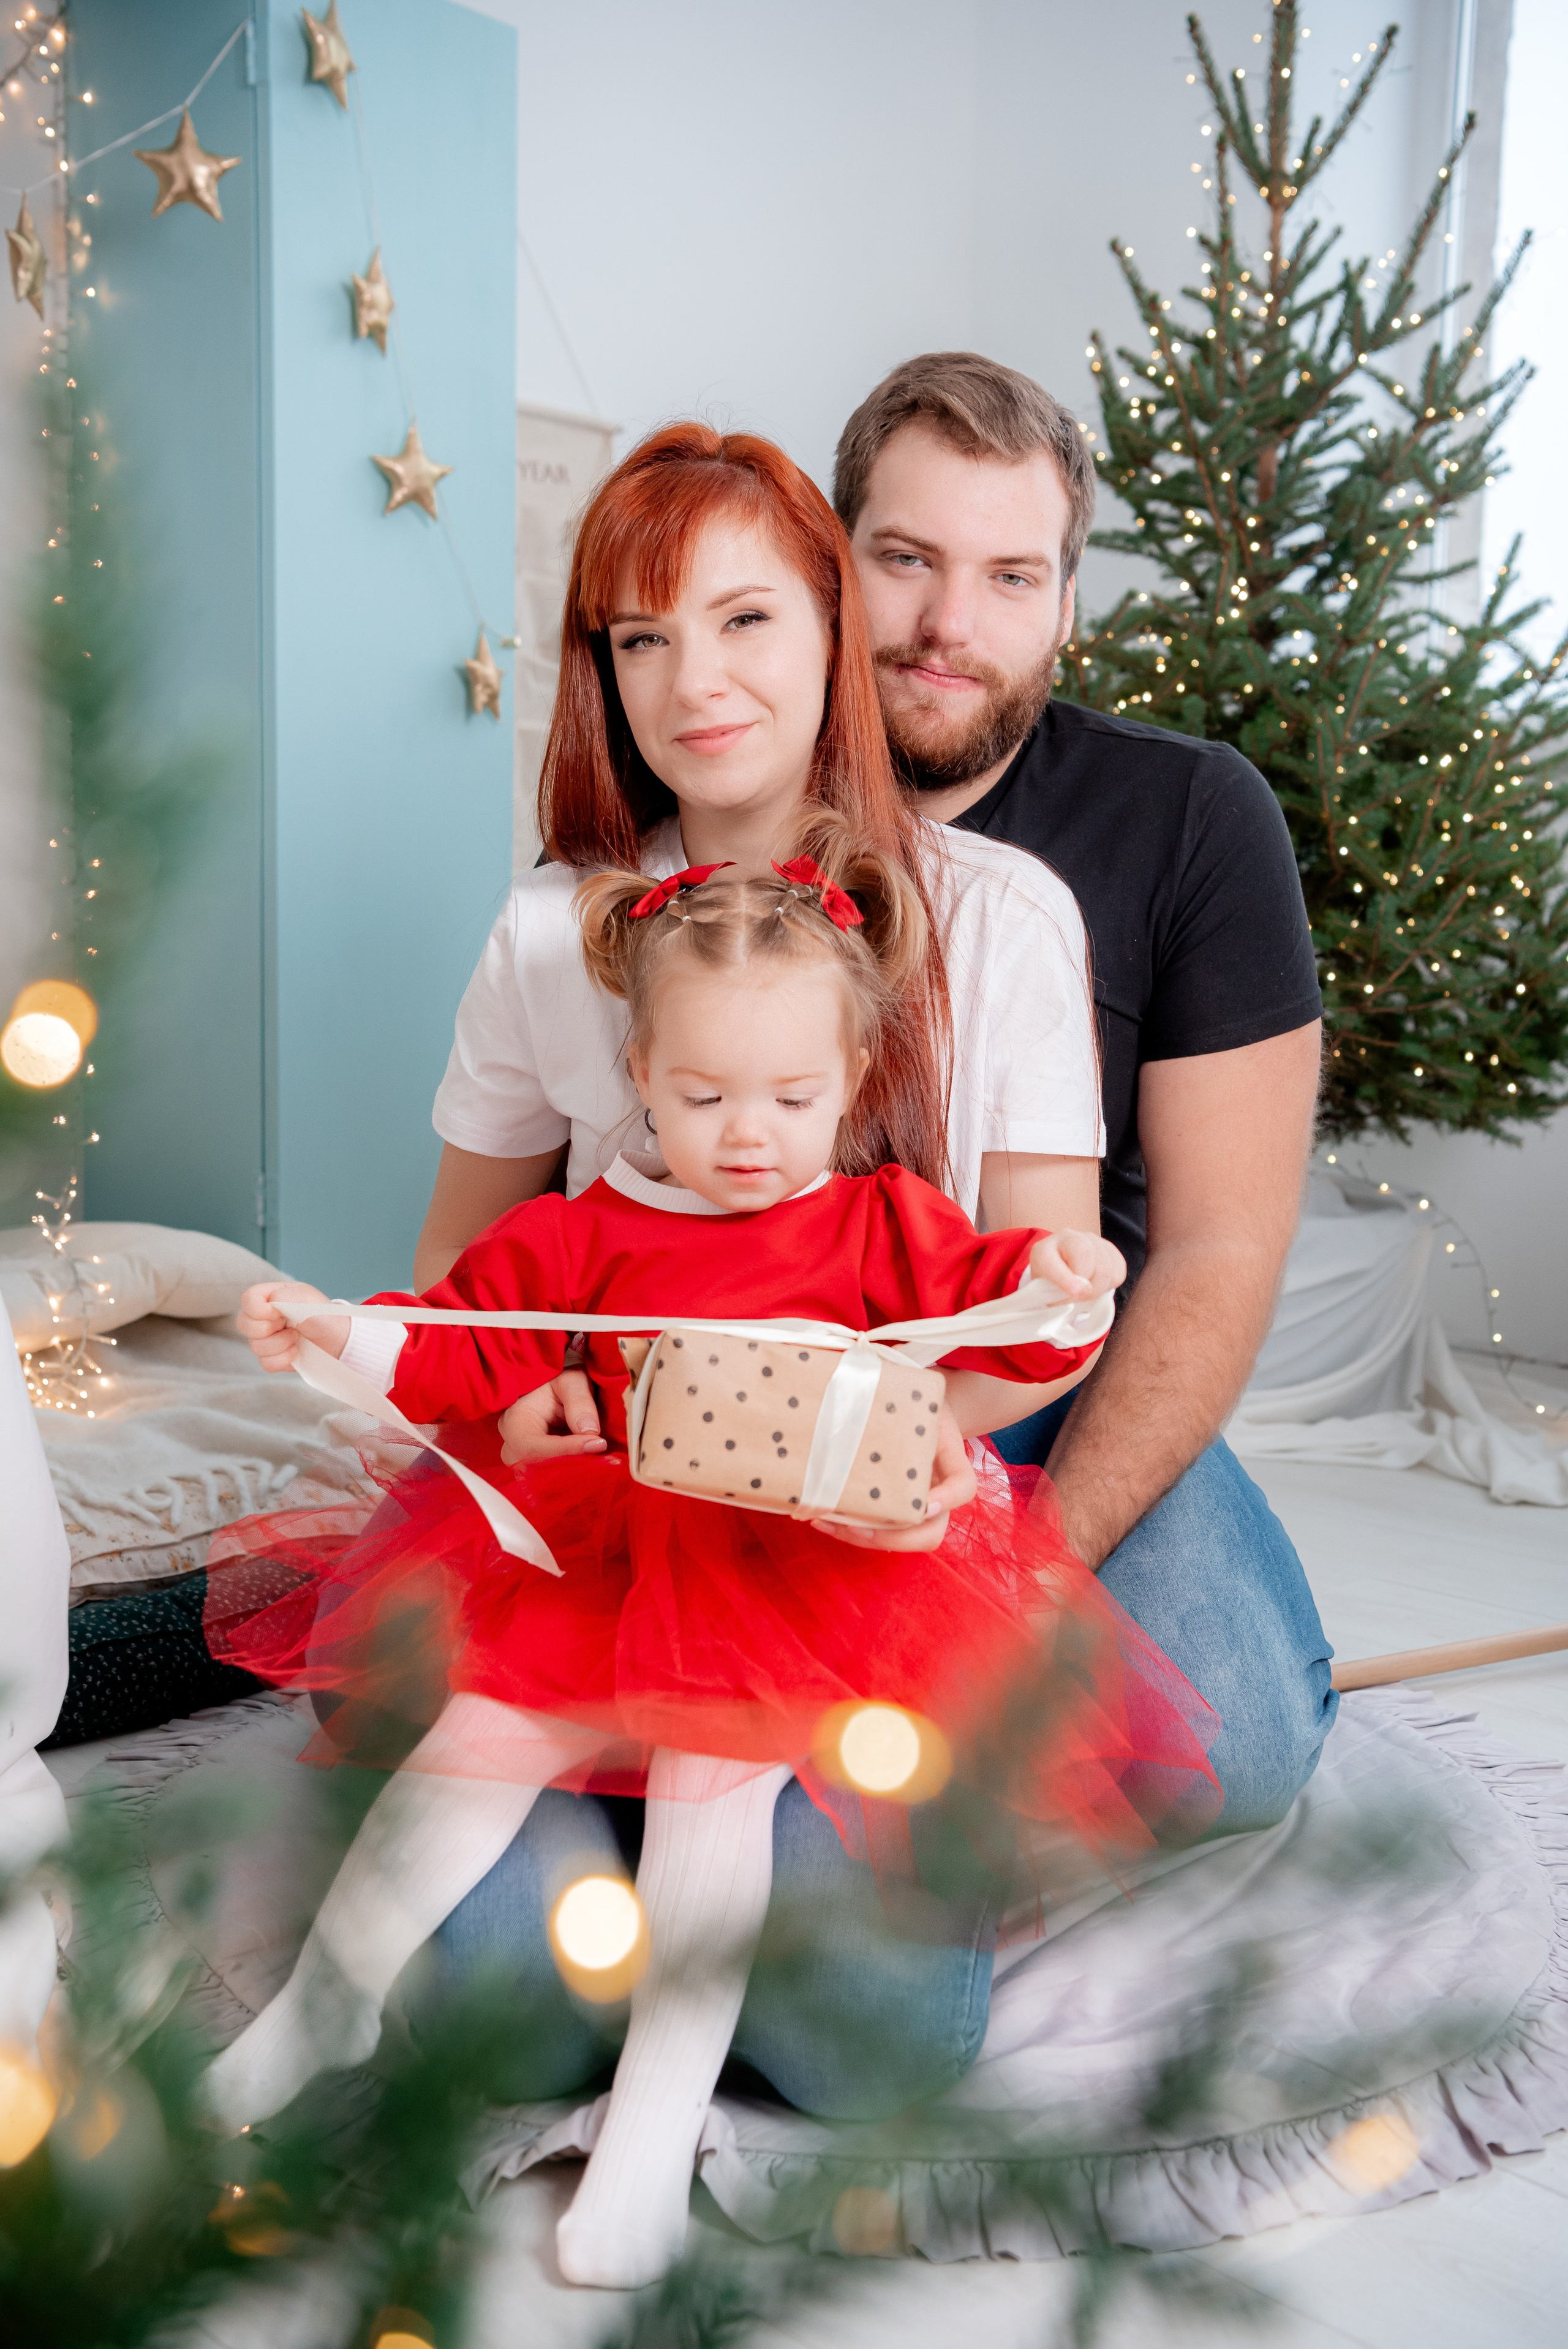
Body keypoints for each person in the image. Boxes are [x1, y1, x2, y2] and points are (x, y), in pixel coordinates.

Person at [202, 851, 1218, 2289]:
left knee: (706, 1786)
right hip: (607, 1556)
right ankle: (328, 2002)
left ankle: (655, 2114)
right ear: (639, 1070)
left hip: (795, 1575)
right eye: (703, 1098)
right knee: (473, 1733)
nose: (748, 1138)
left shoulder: (874, 1225)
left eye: (791, 1100)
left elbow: (1013, 1327)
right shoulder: (579, 1234)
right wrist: (321, 1328)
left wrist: (1068, 1281)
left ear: (853, 1075)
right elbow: (451, 1341)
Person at [834, 350, 1334, 1830]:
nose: (947, 625)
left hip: (1062, 1387)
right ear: (831, 554)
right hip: (796, 1386)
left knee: (1224, 1741)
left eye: (1007, 576)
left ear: (1065, 604)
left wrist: (1034, 1571)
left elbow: (1217, 1246)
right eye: (904, 560)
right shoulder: (730, 778)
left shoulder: (1189, 818)